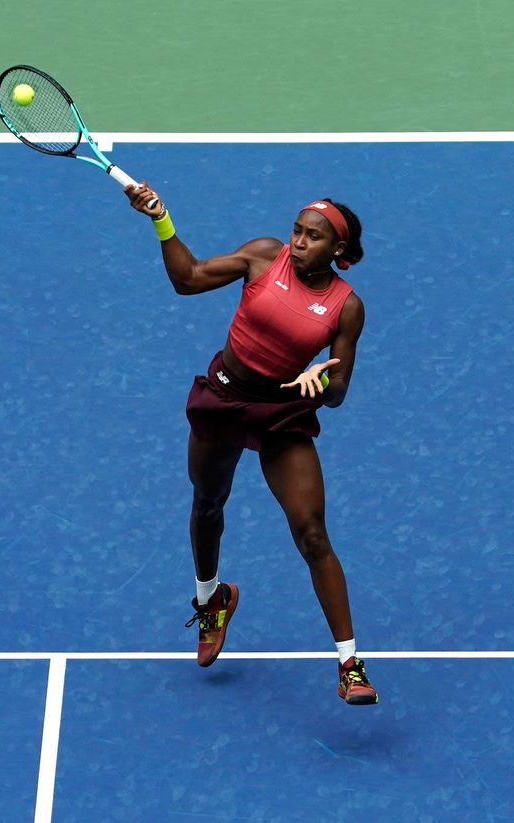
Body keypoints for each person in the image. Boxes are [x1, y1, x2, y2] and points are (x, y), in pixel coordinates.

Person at [126, 183, 378, 705]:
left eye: (314, 237)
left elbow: (338, 392)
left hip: (283, 413)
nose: (300, 242)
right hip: (225, 396)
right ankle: (211, 598)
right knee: (207, 502)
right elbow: (188, 279)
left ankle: (350, 664)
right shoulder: (265, 257)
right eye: (298, 231)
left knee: (311, 532)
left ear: (339, 252)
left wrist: (321, 381)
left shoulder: (345, 308)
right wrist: (161, 219)